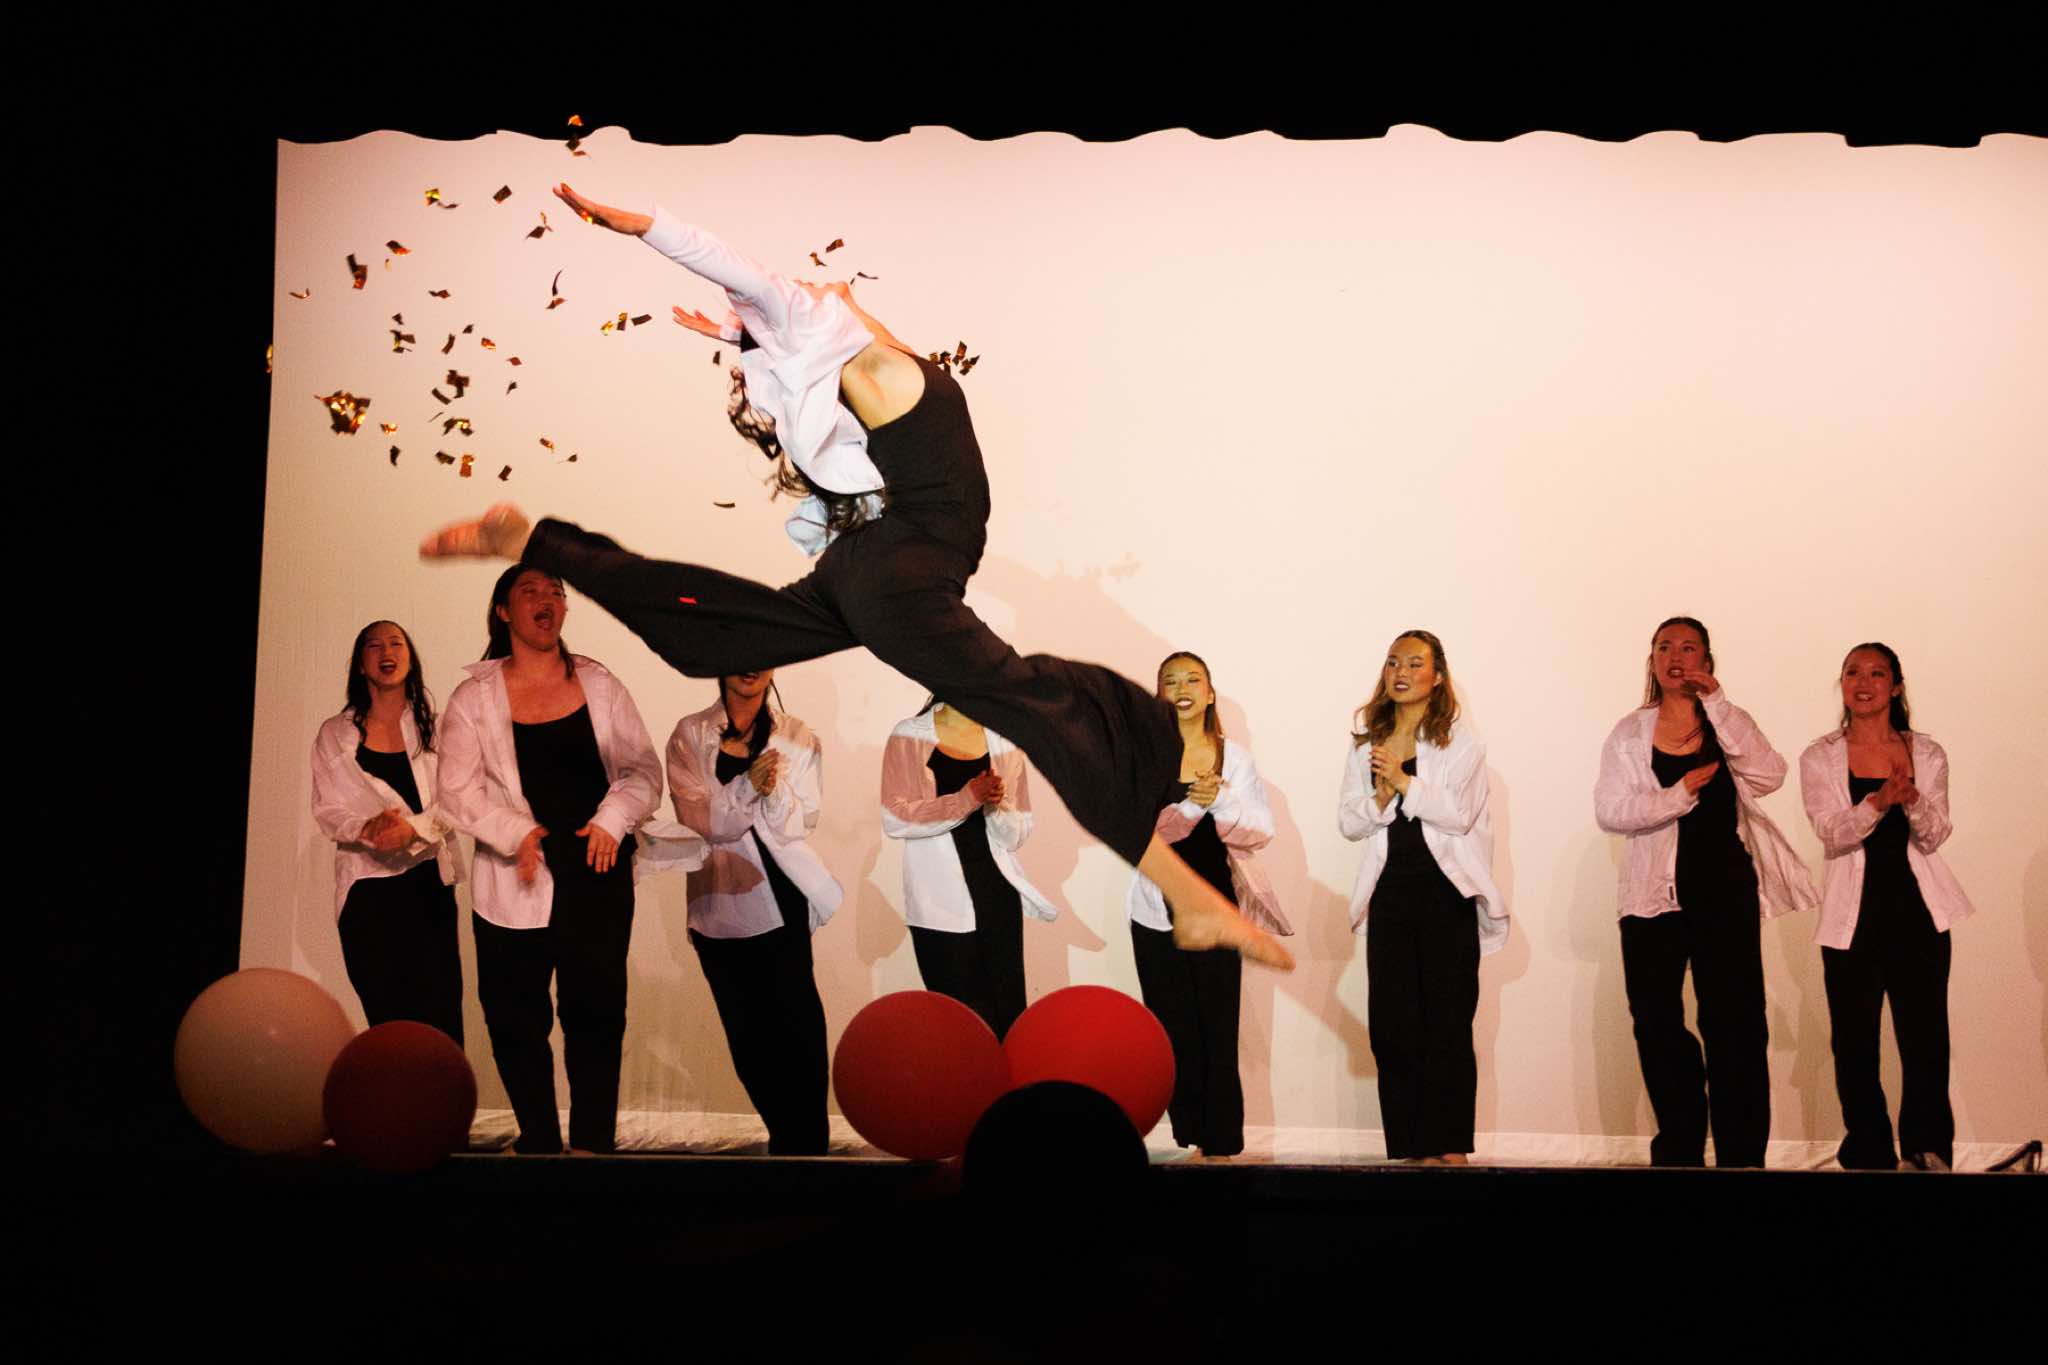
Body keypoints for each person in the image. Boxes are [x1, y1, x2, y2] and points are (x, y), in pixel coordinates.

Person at [419, 184, 1291, 972]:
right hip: (901, 570)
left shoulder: (881, 360)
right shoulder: (857, 352)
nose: (825, 285)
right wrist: (646, 227)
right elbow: (737, 267)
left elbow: (835, 319)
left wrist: (741, 335)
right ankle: (1186, 892)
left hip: (871, 570)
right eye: (814, 293)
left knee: (709, 636)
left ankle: (538, 541)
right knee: (1032, 699)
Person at [438, 563, 701, 1154]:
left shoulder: (600, 684)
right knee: (513, 1019)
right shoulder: (473, 698)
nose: (547, 600)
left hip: (596, 878)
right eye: (530, 591)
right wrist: (517, 831)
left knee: (596, 1016)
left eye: (556, 592)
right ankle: (538, 1141)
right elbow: (456, 791)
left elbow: (641, 772)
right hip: (515, 880)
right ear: (503, 611)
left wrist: (612, 819)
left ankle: (591, 1148)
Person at [1593, 616, 1815, 1167]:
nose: (1676, 657)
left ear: (1708, 662)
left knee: (1735, 1024)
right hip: (1651, 898)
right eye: (1664, 647)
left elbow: (1769, 775)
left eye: (1689, 648)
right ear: (1652, 660)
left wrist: (1717, 703)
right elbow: (1610, 810)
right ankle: (1680, 1150)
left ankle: (1741, 1158)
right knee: (1657, 1024)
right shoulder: (1629, 732)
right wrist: (1676, 795)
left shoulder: (1727, 722)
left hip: (1724, 891)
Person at [1799, 642, 1972, 1171]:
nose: (1864, 682)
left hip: (1918, 916)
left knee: (1926, 1041)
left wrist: (1911, 797)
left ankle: (1926, 1151)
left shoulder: (1927, 752)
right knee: (1854, 1044)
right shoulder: (1820, 756)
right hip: (1852, 920)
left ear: (1895, 686)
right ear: (1842, 684)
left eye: (1876, 673)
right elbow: (1831, 831)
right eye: (1853, 672)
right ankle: (1869, 1153)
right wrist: (1877, 801)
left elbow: (1936, 833)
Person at [1338, 630, 1508, 1165]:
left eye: (1415, 663)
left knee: (1447, 1023)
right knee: (1392, 1027)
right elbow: (1349, 822)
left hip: (1445, 893)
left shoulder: (1461, 741)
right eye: (1393, 662)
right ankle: (1411, 1149)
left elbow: (1458, 814)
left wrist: (1404, 782)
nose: (1401, 672)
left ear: (1437, 676)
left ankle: (1450, 1147)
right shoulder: (1367, 743)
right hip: (1390, 894)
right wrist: (1380, 796)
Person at [667, 669, 838, 1155]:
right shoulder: (690, 733)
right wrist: (747, 786)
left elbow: (800, 822)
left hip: (781, 896)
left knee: (799, 1029)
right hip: (718, 901)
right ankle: (787, 1139)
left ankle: (808, 1151)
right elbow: (699, 819)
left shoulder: (796, 735)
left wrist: (770, 789)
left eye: (764, 657)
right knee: (747, 1037)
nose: (752, 666)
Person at [1127, 652, 1290, 1159]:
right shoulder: (1143, 757)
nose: (1182, 688)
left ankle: (1220, 1142)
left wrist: (1219, 799)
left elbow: (1259, 831)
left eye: (1192, 680)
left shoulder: (1234, 759)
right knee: (1173, 1029)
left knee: (1218, 1027)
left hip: (1216, 910)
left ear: (1210, 693)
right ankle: (1192, 1135)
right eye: (1171, 681)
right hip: (1156, 909)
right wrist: (1192, 805)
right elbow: (1134, 834)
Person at [309, 619, 469, 1043]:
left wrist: (412, 830)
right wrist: (368, 827)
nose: (386, 652)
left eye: (396, 643)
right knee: (389, 1023)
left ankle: (444, 1090)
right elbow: (328, 809)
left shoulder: (437, 728)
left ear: (410, 659)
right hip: (367, 890)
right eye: (374, 646)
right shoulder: (335, 733)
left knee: (439, 1022)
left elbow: (460, 801)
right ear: (361, 665)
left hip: (427, 887)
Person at [881, 698, 1056, 1040]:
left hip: (997, 896)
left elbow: (1017, 834)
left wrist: (997, 805)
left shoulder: (1004, 739)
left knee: (1008, 1020)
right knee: (959, 1028)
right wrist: (965, 799)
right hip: (940, 905)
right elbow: (895, 819)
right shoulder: (909, 735)